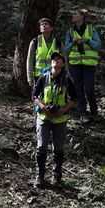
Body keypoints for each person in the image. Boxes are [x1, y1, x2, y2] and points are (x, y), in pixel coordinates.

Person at [31, 52, 76, 188]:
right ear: (50, 63)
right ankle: (40, 176)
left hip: (60, 119)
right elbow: (34, 96)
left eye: (59, 60)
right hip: (44, 118)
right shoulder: (43, 78)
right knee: (41, 147)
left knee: (58, 149)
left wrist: (62, 110)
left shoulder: (67, 80)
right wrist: (43, 107)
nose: (56, 61)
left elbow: (74, 99)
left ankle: (57, 176)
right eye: (54, 59)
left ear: (63, 64)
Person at [62, 8, 103, 123]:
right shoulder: (70, 32)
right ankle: (82, 113)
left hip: (89, 64)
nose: (73, 16)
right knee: (78, 89)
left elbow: (98, 46)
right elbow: (65, 49)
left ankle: (94, 112)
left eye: (75, 14)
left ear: (82, 17)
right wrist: (72, 43)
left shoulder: (91, 30)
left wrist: (87, 40)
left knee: (89, 88)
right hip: (75, 64)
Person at [26, 17, 59, 87]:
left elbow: (63, 59)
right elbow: (30, 60)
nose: (43, 26)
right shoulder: (35, 42)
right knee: (38, 97)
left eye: (46, 24)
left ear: (51, 28)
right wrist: (30, 77)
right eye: (42, 25)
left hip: (54, 75)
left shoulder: (58, 43)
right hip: (38, 76)